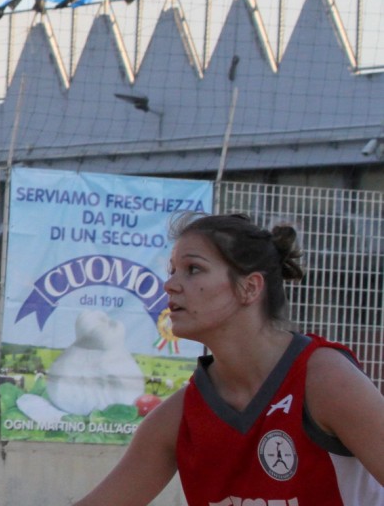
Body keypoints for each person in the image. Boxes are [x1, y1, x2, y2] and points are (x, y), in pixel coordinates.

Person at [74, 212, 384, 505]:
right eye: (172, 271)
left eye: (193, 269)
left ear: (249, 287)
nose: (170, 284)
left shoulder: (326, 380)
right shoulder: (177, 419)